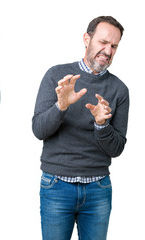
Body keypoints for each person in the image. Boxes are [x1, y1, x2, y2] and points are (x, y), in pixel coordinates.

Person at [32, 16, 129, 240]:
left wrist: (101, 124)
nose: (107, 50)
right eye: (103, 42)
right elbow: (38, 130)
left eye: (114, 46)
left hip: (98, 189)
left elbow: (117, 149)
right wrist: (61, 105)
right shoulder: (57, 76)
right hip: (56, 185)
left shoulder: (119, 90)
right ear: (87, 39)